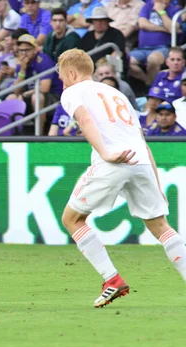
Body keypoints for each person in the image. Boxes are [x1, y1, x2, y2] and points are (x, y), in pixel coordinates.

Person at [57, 48, 186, 308]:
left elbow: (84, 120)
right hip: (140, 160)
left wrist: (106, 152)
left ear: (71, 73)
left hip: (113, 160)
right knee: (160, 226)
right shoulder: (117, 94)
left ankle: (111, 279)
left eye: (62, 76)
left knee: (71, 219)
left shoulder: (72, 92)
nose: (62, 81)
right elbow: (141, 139)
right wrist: (155, 178)